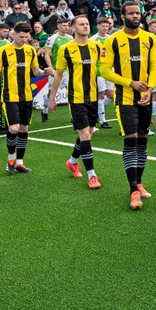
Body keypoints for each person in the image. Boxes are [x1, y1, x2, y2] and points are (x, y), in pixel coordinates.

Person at [99, 3, 156, 208]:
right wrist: (130, 82)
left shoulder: (150, 39)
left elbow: (154, 65)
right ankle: (133, 190)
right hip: (124, 98)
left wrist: (149, 88)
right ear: (123, 16)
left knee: (143, 141)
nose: (136, 15)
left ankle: (139, 183)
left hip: (145, 97)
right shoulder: (112, 40)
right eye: (131, 13)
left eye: (137, 13)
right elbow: (105, 70)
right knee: (131, 141)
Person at [50, 14, 103, 191]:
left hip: (93, 97)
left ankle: (72, 162)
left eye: (87, 23)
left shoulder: (96, 46)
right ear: (73, 28)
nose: (85, 26)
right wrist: (52, 98)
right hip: (77, 98)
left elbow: (103, 68)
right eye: (81, 24)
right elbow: (58, 74)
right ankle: (92, 175)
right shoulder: (65, 49)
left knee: (88, 133)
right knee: (85, 136)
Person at [0, 23, 53, 175]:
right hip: (9, 96)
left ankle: (20, 163)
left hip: (26, 95)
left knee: (24, 128)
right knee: (13, 128)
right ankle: (11, 159)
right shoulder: (2, 51)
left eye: (27, 37)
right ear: (13, 33)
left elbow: (35, 71)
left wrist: (44, 72)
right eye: (21, 37)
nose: (24, 40)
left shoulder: (30, 50)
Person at [90, 16, 115, 129]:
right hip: (99, 71)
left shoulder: (111, 38)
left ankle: (95, 110)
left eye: (107, 26)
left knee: (110, 94)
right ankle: (103, 120)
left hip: (110, 70)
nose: (105, 28)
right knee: (101, 94)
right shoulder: (93, 39)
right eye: (103, 26)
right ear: (98, 26)